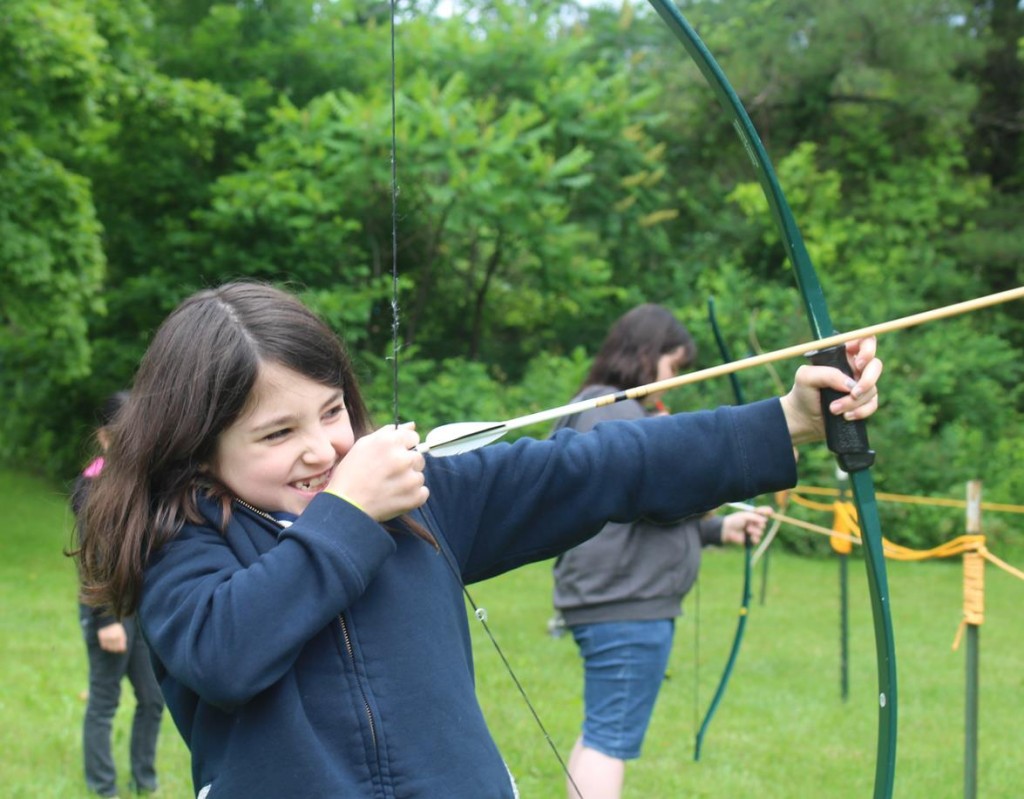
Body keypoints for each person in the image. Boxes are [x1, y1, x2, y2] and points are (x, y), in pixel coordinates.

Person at [74, 282, 881, 799]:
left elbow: (600, 466)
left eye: (332, 411)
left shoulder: (418, 500)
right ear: (199, 447)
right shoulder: (183, 543)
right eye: (278, 432)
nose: (323, 447)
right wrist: (348, 513)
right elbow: (224, 654)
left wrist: (785, 421)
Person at [551, 304, 779, 799]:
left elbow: (636, 515)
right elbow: (662, 497)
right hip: (625, 604)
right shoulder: (616, 410)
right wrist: (728, 463)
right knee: (610, 741)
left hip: (612, 598)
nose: (672, 380)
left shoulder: (599, 407)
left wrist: (717, 531)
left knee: (602, 732)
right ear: (646, 354)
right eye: (672, 366)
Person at [72, 391, 164, 797]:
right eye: (124, 434)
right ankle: (103, 788)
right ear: (104, 437)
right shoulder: (91, 488)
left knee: (153, 699)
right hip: (107, 610)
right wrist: (107, 620)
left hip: (139, 607)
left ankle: (144, 782)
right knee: (105, 701)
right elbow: (91, 560)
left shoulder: (137, 482)